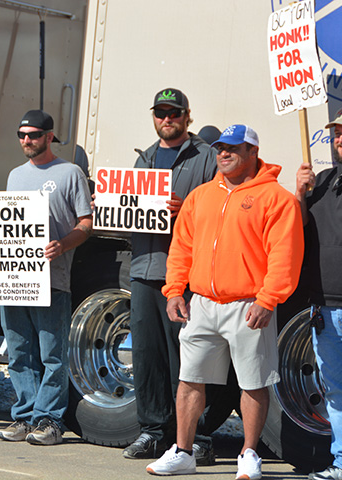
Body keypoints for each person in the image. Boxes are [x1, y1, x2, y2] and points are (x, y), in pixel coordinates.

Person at [147, 125, 303, 479]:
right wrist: (174, 290)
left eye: (233, 148)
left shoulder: (276, 199)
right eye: (219, 148)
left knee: (253, 381)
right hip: (201, 303)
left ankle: (249, 454)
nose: (223, 153)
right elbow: (182, 248)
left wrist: (268, 300)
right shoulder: (201, 197)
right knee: (190, 379)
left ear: (252, 152)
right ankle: (183, 451)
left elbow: (285, 255)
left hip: (249, 304)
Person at [0, 109, 93, 445]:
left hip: (52, 280)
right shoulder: (14, 176)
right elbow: (5, 226)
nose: (28, 141)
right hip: (12, 280)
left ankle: (50, 420)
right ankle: (25, 416)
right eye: (22, 135)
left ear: (50, 136)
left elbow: (86, 223)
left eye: (35, 135)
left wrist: (62, 244)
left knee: (53, 354)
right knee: (19, 352)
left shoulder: (70, 173)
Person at [123, 88, 219, 463]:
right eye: (161, 113)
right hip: (144, 271)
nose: (167, 119)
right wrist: (111, 207)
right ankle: (152, 431)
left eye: (174, 113)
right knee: (147, 357)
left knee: (191, 359)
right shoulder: (144, 158)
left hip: (188, 276)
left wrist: (186, 210)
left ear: (187, 116)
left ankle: (196, 437)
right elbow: (130, 211)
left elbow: (219, 210)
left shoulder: (207, 157)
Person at [296, 109, 342, 480]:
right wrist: (299, 193)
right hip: (324, 308)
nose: (340, 139)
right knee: (336, 391)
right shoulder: (322, 184)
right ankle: (341, 462)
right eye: (337, 133)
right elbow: (295, 228)